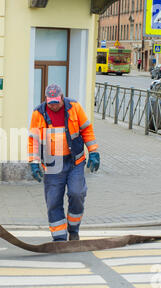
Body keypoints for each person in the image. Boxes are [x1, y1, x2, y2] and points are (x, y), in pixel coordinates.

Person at [28, 84, 100, 242]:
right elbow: (34, 140)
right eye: (50, 102)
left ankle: (73, 229)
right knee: (53, 200)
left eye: (56, 102)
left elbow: (86, 130)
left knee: (77, 193)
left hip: (75, 161)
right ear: (46, 100)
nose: (53, 105)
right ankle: (59, 238)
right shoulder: (38, 112)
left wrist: (93, 151)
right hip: (53, 164)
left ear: (62, 97)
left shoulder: (74, 107)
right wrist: (34, 162)